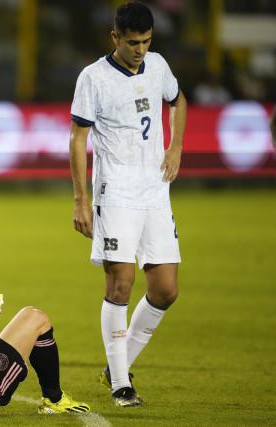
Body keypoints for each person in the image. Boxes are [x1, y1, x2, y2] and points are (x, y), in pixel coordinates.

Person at [69, 2, 187, 407]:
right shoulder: (94, 78)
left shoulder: (157, 66)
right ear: (114, 37)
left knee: (166, 290)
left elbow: (178, 100)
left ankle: (114, 366)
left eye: (147, 42)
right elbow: (78, 139)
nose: (140, 50)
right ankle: (122, 383)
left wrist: (175, 146)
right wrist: (81, 200)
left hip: (155, 191)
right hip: (115, 193)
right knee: (120, 285)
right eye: (133, 42)